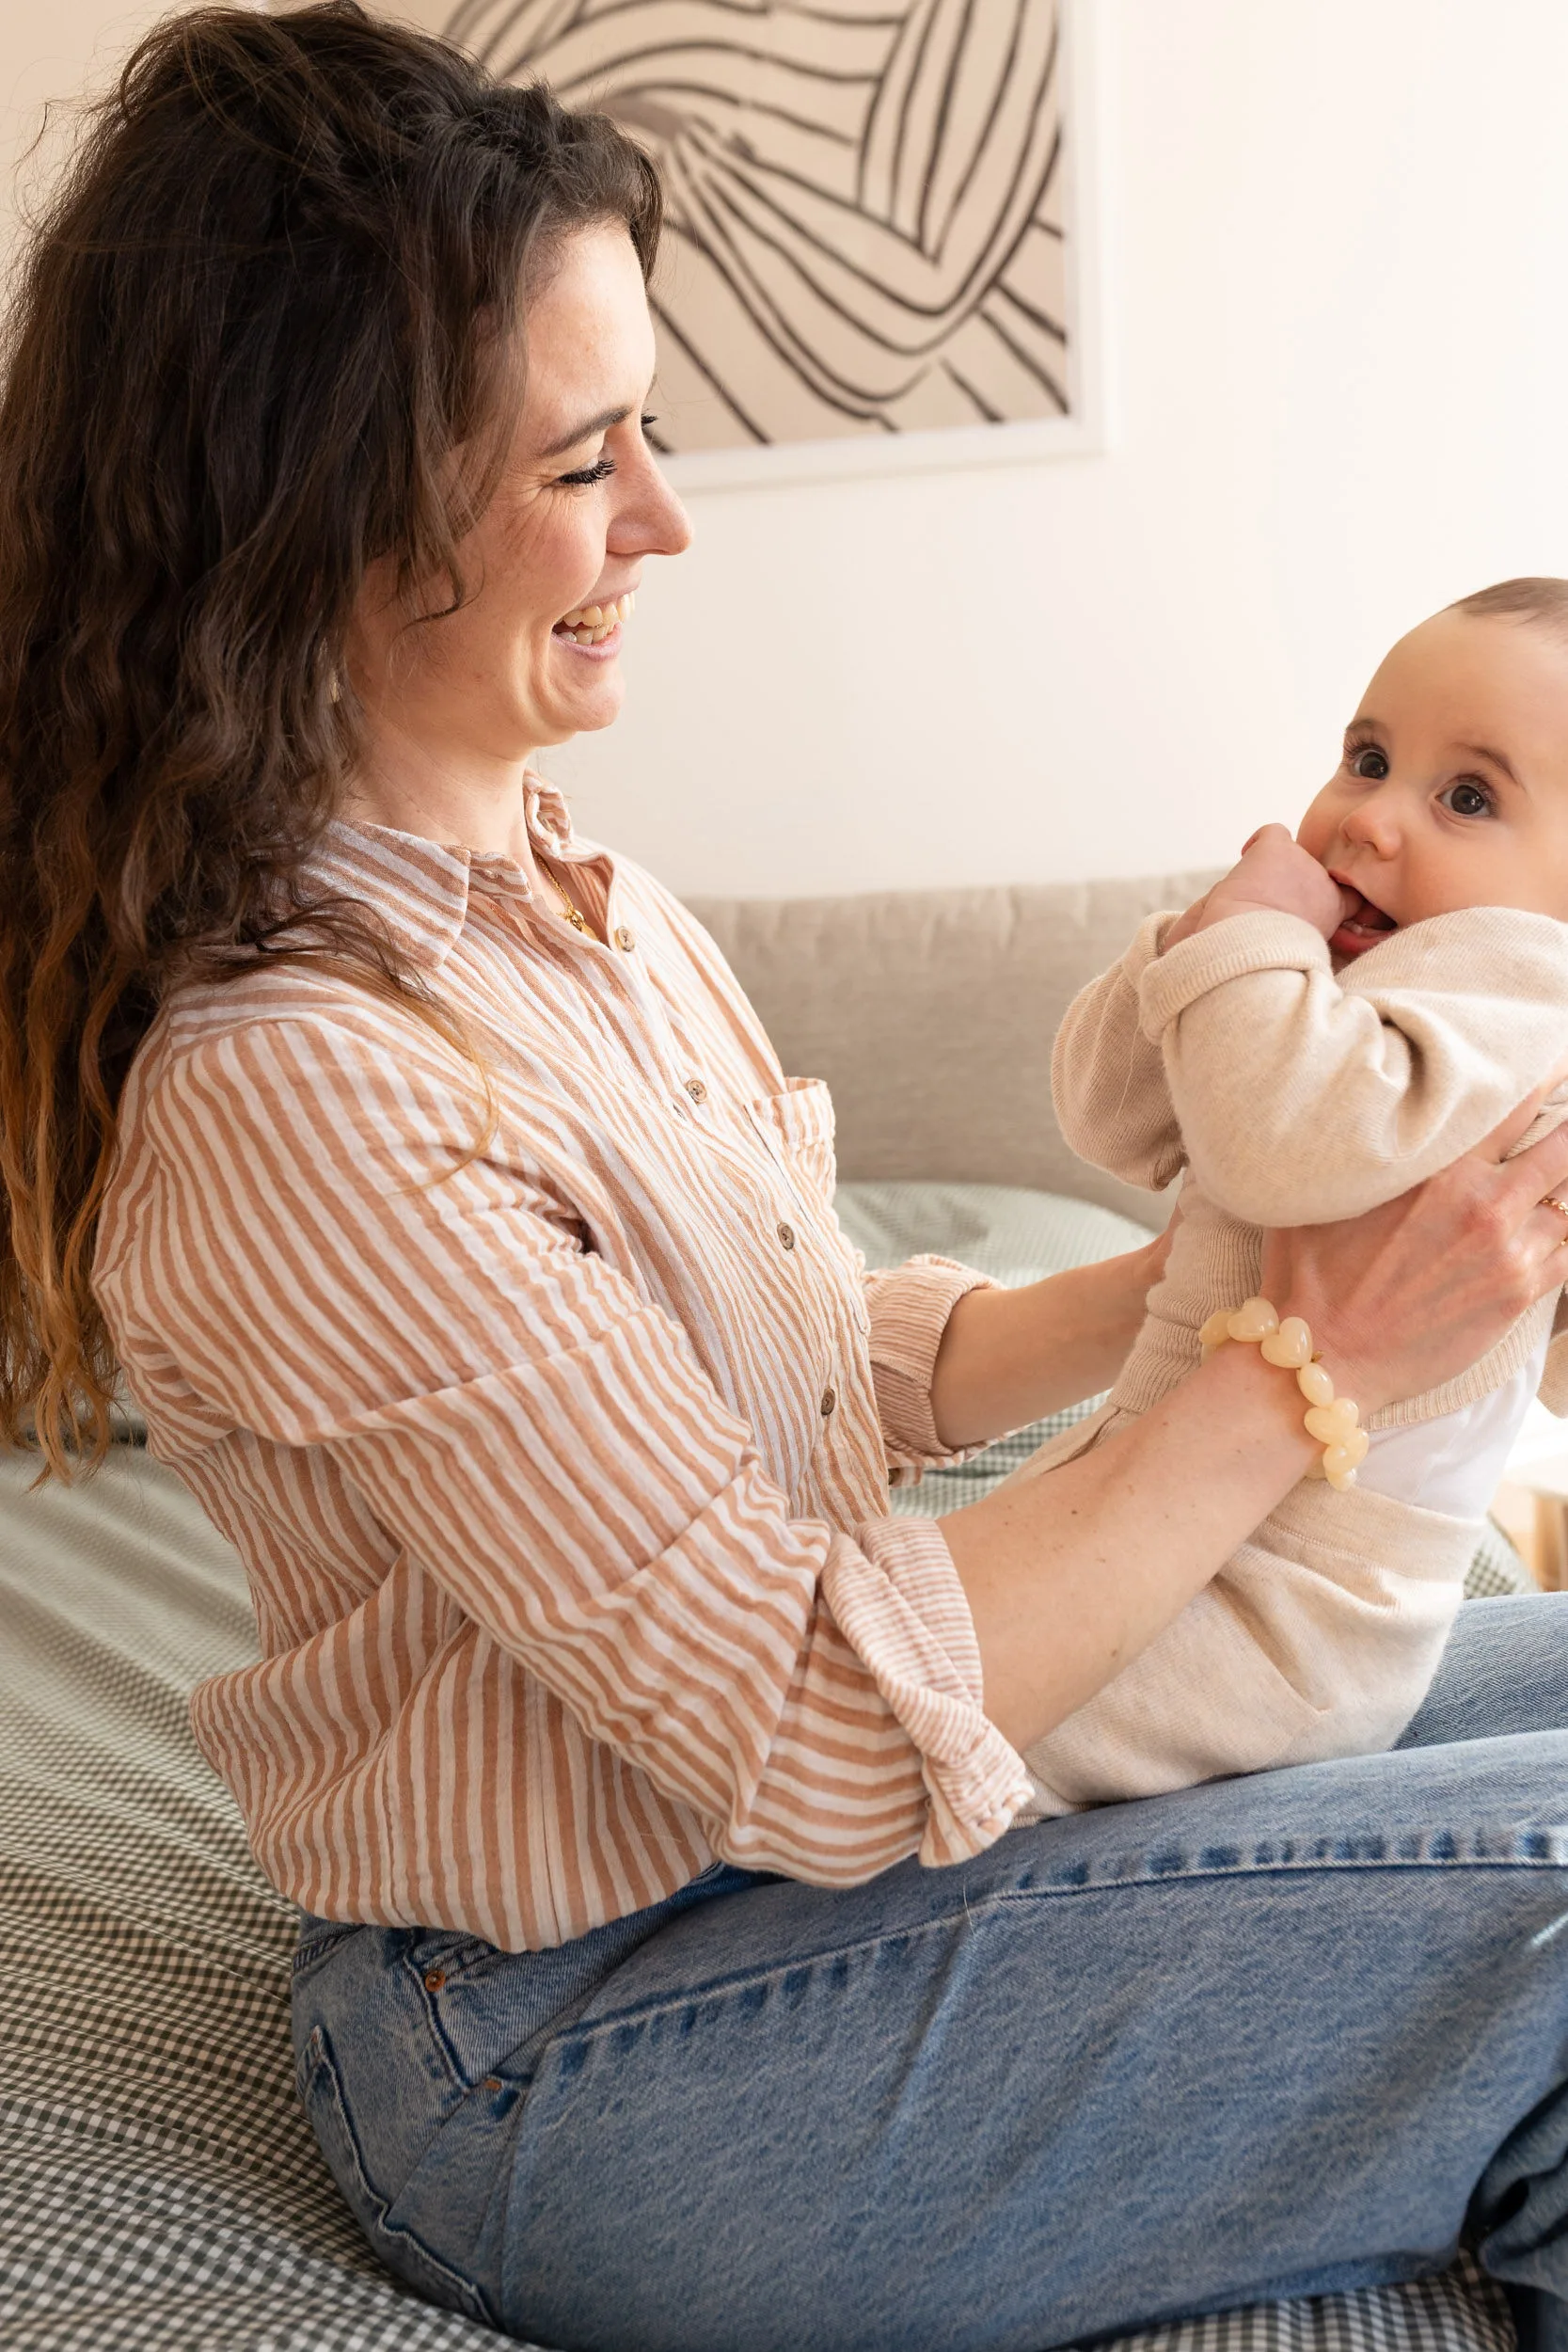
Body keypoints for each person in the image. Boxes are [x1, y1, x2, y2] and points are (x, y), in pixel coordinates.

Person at [5, 9, 1568, 2350]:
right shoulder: (298, 1085)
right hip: (575, 2026)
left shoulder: (583, 903)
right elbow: (817, 1724)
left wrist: (1259, 1259)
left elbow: (808, 1333)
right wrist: (1300, 1363)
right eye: (581, 457)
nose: (663, 514)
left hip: (766, 1873)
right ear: (323, 506)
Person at [1019, 582, 1568, 1813]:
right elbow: (1113, 1123)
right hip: (1177, 1500)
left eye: (1465, 798)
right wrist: (1199, 946)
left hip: (1290, 1601)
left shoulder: (1512, 978)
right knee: (938, 1650)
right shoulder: (1341, 984)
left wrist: (1251, 951)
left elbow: (1284, 1151)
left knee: (938, 1731)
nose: (1368, 819)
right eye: (1365, 758)